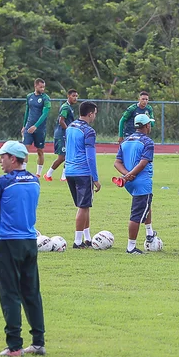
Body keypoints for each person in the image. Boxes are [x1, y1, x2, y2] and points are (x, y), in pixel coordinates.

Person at [0, 141, 45, 357]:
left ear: (13, 158)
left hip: (8, 242)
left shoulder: (4, 182)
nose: (0, 160)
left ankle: (14, 346)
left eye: (2, 156)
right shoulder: (34, 181)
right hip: (30, 241)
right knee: (31, 292)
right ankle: (38, 342)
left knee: (9, 293)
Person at [113, 114, 157, 254]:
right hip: (141, 182)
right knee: (137, 214)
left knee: (146, 205)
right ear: (146, 125)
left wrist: (126, 175)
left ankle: (149, 233)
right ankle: (131, 247)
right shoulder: (147, 142)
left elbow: (117, 162)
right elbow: (143, 163)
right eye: (149, 124)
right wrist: (131, 175)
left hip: (129, 182)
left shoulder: (126, 141)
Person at [65, 101, 101, 248]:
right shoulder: (89, 131)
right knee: (83, 206)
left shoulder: (70, 127)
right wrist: (96, 179)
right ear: (90, 113)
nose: (95, 117)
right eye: (95, 114)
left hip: (69, 171)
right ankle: (77, 241)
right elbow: (90, 157)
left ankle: (87, 238)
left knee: (84, 206)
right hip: (83, 172)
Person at [21, 79, 52, 177]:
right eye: (40, 87)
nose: (42, 89)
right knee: (25, 149)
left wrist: (36, 126)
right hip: (28, 128)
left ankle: (38, 174)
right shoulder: (29, 97)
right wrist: (24, 125)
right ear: (35, 86)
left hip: (40, 129)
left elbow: (45, 114)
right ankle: (22, 172)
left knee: (40, 151)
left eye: (44, 87)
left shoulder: (46, 98)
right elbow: (27, 111)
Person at [45, 90, 78, 182]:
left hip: (66, 135)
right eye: (73, 96)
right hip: (62, 135)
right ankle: (48, 174)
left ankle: (64, 176)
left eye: (76, 96)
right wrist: (68, 131)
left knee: (68, 155)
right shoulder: (65, 107)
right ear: (68, 96)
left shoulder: (70, 107)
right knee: (62, 157)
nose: (75, 98)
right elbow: (61, 120)